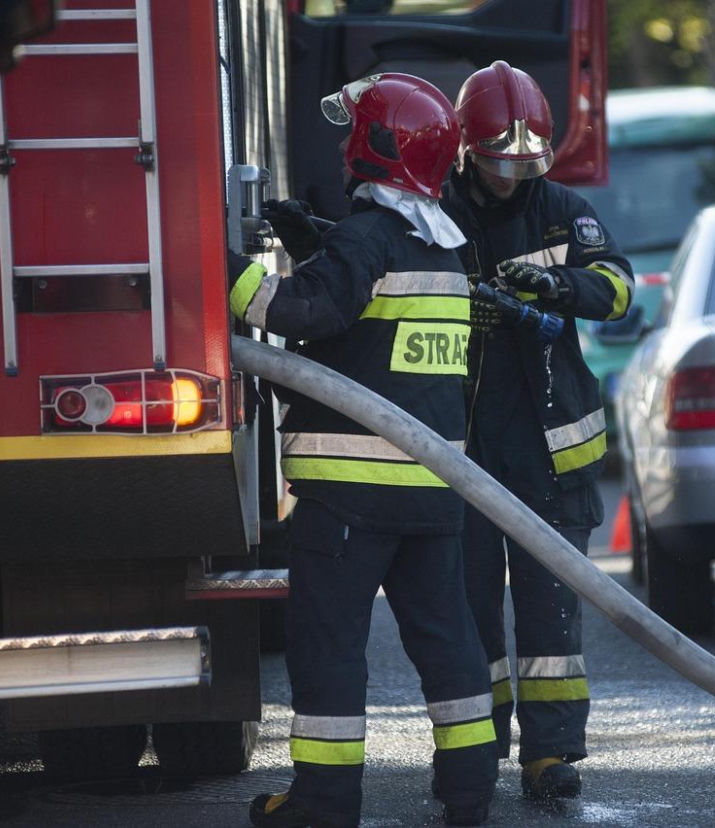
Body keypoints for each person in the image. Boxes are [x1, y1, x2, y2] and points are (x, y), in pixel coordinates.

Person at [228, 73, 497, 828]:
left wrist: (220, 270)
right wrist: (320, 242)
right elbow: (379, 337)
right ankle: (471, 790)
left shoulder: (368, 238)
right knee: (449, 643)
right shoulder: (443, 249)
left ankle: (322, 802)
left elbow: (302, 310)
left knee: (329, 649)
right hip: (433, 493)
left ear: (374, 146)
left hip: (349, 498)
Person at [439, 60, 634, 800]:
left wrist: (562, 286)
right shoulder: (437, 215)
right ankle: (473, 757)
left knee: (551, 615)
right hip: (462, 451)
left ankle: (549, 757)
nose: (510, 176)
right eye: (497, 162)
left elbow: (616, 284)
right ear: (466, 149)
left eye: (523, 162)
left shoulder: (561, 210)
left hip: (551, 452)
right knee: (469, 612)